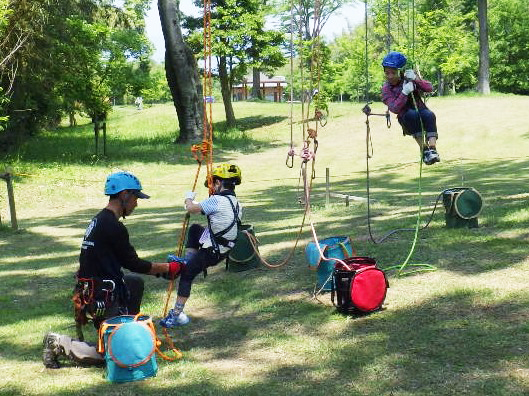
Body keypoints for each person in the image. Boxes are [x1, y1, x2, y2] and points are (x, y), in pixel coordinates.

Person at [42, 171, 182, 369]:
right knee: (117, 355)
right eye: (135, 197)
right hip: (102, 296)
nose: (136, 203)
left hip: (93, 292)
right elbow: (134, 263)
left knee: (134, 282)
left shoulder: (98, 220)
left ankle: (126, 331)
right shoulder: (113, 226)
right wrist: (168, 268)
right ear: (124, 195)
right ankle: (58, 343)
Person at [160, 163, 243, 328]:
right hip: (224, 248)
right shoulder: (236, 203)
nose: (212, 187)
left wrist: (188, 197)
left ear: (219, 183)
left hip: (213, 251)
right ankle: (187, 260)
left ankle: (176, 315)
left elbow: (191, 208)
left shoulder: (216, 200)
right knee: (196, 229)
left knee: (186, 275)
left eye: (213, 183)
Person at [381, 51, 440, 165]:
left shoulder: (409, 78)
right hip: (406, 117)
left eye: (393, 73)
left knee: (429, 115)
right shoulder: (386, 88)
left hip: (421, 110)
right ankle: (424, 149)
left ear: (401, 71)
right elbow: (394, 108)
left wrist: (416, 79)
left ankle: (432, 149)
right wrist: (404, 92)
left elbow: (429, 88)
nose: (390, 76)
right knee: (412, 115)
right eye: (387, 73)